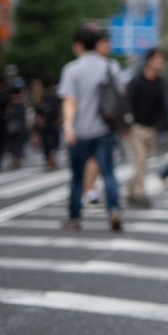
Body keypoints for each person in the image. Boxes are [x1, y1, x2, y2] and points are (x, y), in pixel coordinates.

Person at [59, 25, 126, 232]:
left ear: (79, 45)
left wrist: (68, 126)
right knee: (108, 174)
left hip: (80, 131)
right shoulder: (111, 67)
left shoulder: (72, 69)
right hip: (105, 129)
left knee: (77, 177)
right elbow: (120, 95)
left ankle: (74, 218)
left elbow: (70, 101)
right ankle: (114, 210)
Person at [125, 48, 168, 207]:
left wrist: (164, 130)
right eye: (157, 59)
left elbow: (165, 108)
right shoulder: (137, 81)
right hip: (136, 128)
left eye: (162, 60)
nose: (160, 63)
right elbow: (127, 103)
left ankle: (131, 189)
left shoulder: (162, 84)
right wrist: (127, 124)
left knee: (143, 163)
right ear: (149, 60)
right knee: (140, 160)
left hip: (152, 129)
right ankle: (139, 193)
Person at [33, 77, 62, 170]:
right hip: (47, 122)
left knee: (52, 142)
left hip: (51, 122)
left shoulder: (52, 96)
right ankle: (50, 159)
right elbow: (37, 111)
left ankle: (50, 158)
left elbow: (59, 109)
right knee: (47, 142)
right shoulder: (43, 97)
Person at [5, 83, 30, 171]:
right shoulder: (22, 104)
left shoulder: (10, 104)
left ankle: (14, 160)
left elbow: (7, 115)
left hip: (12, 126)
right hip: (20, 126)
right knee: (19, 143)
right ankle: (17, 159)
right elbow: (25, 116)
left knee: (12, 143)